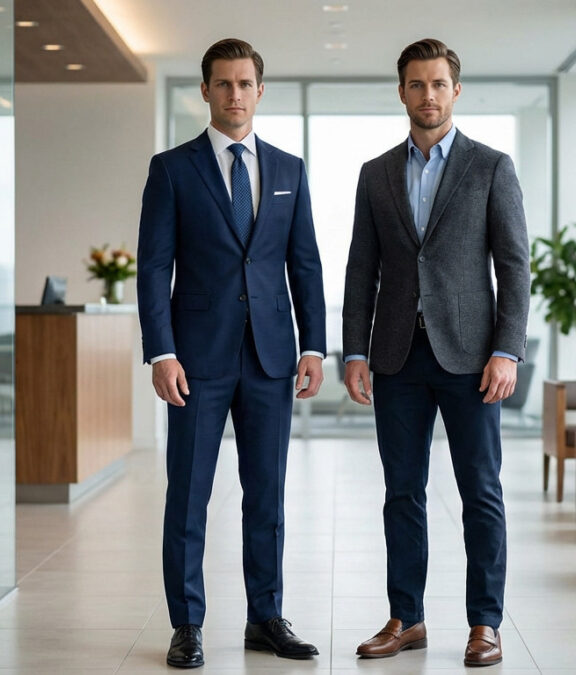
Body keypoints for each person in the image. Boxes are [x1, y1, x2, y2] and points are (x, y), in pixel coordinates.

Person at [137, 38, 326, 669]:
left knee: (265, 495)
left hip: (272, 359)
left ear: (260, 90)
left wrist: (315, 346)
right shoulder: (172, 169)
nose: (235, 94)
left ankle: (265, 617)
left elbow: (305, 265)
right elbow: (153, 266)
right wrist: (160, 351)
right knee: (188, 495)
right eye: (224, 84)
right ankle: (187, 624)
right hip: (196, 361)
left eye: (245, 83)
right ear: (206, 92)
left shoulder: (289, 169)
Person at [341, 38, 530, 668]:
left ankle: (485, 623)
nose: (428, 95)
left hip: (473, 360)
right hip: (396, 357)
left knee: (480, 490)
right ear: (402, 92)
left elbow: (514, 266)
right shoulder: (375, 173)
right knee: (403, 491)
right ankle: (407, 618)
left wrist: (507, 349)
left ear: (456, 90)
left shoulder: (491, 167)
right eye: (417, 84)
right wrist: (354, 351)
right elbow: (360, 269)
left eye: (439, 84)